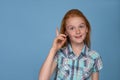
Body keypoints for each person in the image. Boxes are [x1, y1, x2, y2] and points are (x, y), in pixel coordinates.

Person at [39, 9, 103, 80]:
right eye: (72, 28)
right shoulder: (60, 54)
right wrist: (53, 49)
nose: (77, 31)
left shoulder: (94, 57)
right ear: (66, 32)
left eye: (81, 26)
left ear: (86, 29)